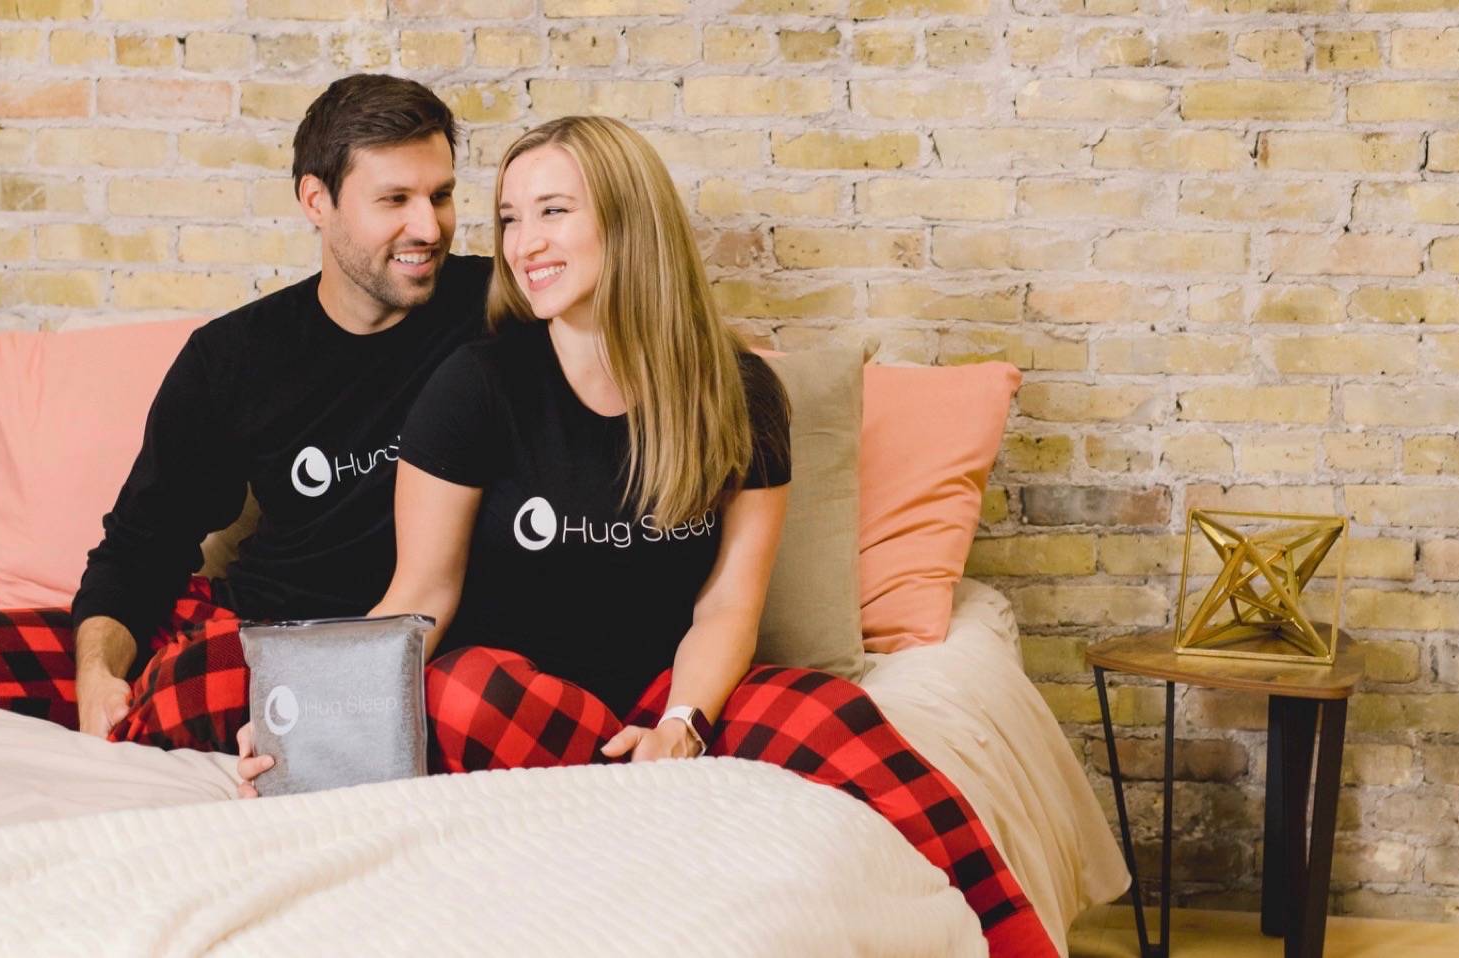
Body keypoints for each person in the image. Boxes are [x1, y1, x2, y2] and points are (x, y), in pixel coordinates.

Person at [141, 115, 1056, 957]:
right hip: (517, 701)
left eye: (553, 211)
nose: (525, 242)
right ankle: (641, 806)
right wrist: (323, 739)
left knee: (833, 712)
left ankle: (1018, 943)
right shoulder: (477, 385)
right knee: (465, 694)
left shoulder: (740, 392)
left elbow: (729, 602)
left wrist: (684, 725)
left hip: (675, 691)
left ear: (628, 221)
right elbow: (419, 599)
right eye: (509, 217)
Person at [0, 74, 492, 737]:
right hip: (240, 620)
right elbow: (142, 546)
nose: (429, 227)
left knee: (185, 690)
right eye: (395, 200)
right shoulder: (236, 356)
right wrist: (94, 675)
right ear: (316, 201)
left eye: (442, 195)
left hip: (348, 654)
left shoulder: (495, 311)